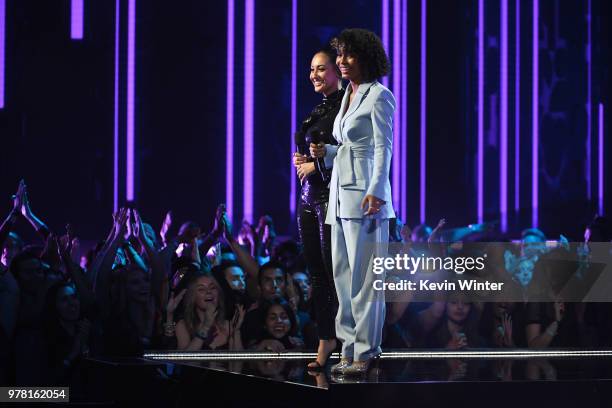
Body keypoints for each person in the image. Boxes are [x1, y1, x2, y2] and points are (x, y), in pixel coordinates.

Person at [310, 28, 395, 375]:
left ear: (365, 57)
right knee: (342, 277)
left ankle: (367, 349)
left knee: (365, 279)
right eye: (340, 55)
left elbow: (382, 147)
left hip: (366, 198)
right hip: (339, 196)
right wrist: (326, 152)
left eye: (348, 55)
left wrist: (377, 188)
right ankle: (348, 347)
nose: (342, 62)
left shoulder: (380, 95)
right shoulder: (348, 93)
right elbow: (348, 146)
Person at [293, 47, 343, 370]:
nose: (314, 75)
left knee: (333, 272)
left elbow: (353, 154)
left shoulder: (346, 107)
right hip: (308, 200)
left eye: (321, 68)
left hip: (330, 197)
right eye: (312, 69)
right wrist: (304, 162)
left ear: (338, 71)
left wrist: (317, 165)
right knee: (316, 274)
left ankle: (340, 337)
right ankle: (326, 336)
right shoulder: (318, 108)